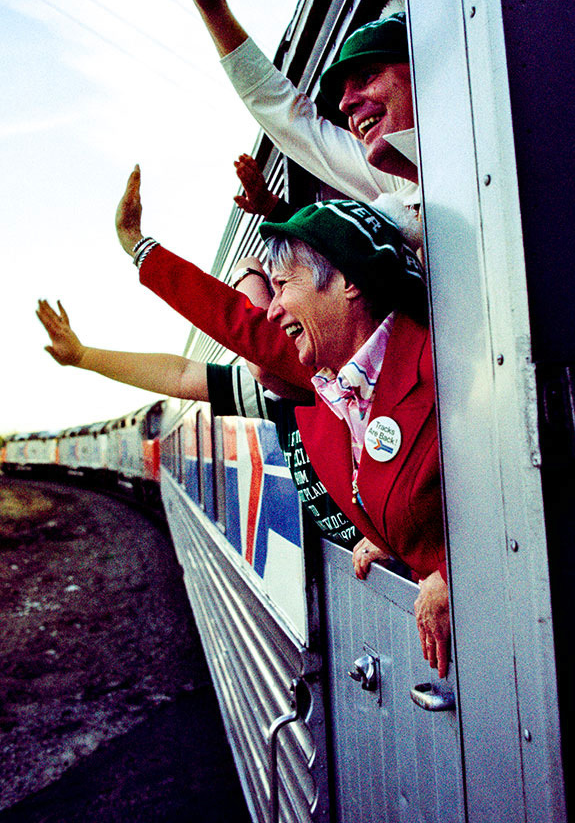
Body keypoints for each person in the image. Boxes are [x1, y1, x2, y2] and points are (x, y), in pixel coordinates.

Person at [116, 168, 450, 676]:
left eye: (281, 287)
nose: (269, 311)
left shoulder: (440, 362)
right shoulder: (322, 375)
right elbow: (232, 318)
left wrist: (451, 572)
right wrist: (140, 249)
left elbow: (516, 493)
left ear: (349, 282)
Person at [35, 295, 372, 553]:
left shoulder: (361, 386)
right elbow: (180, 375)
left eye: (286, 286)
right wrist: (83, 357)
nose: (275, 311)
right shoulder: (277, 394)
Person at [192, 0, 419, 201]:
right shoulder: (397, 178)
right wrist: (214, 11)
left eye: (368, 74)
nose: (345, 103)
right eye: (344, 92)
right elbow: (291, 119)